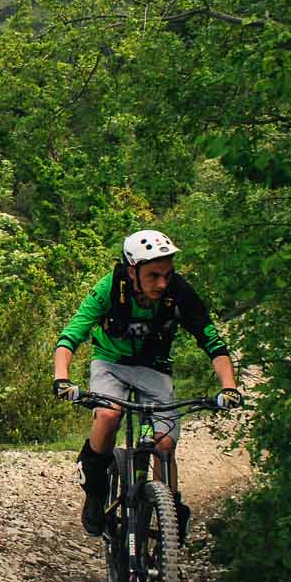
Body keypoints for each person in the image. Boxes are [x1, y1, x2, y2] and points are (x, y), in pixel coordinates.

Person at [51, 229, 244, 538]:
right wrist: (62, 378)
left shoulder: (179, 291)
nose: (162, 283)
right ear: (132, 270)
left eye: (167, 274)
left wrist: (229, 386)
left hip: (154, 367)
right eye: (153, 275)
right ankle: (96, 492)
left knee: (164, 444)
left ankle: (170, 508)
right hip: (110, 363)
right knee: (109, 414)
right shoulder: (109, 288)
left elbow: (212, 341)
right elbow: (72, 333)